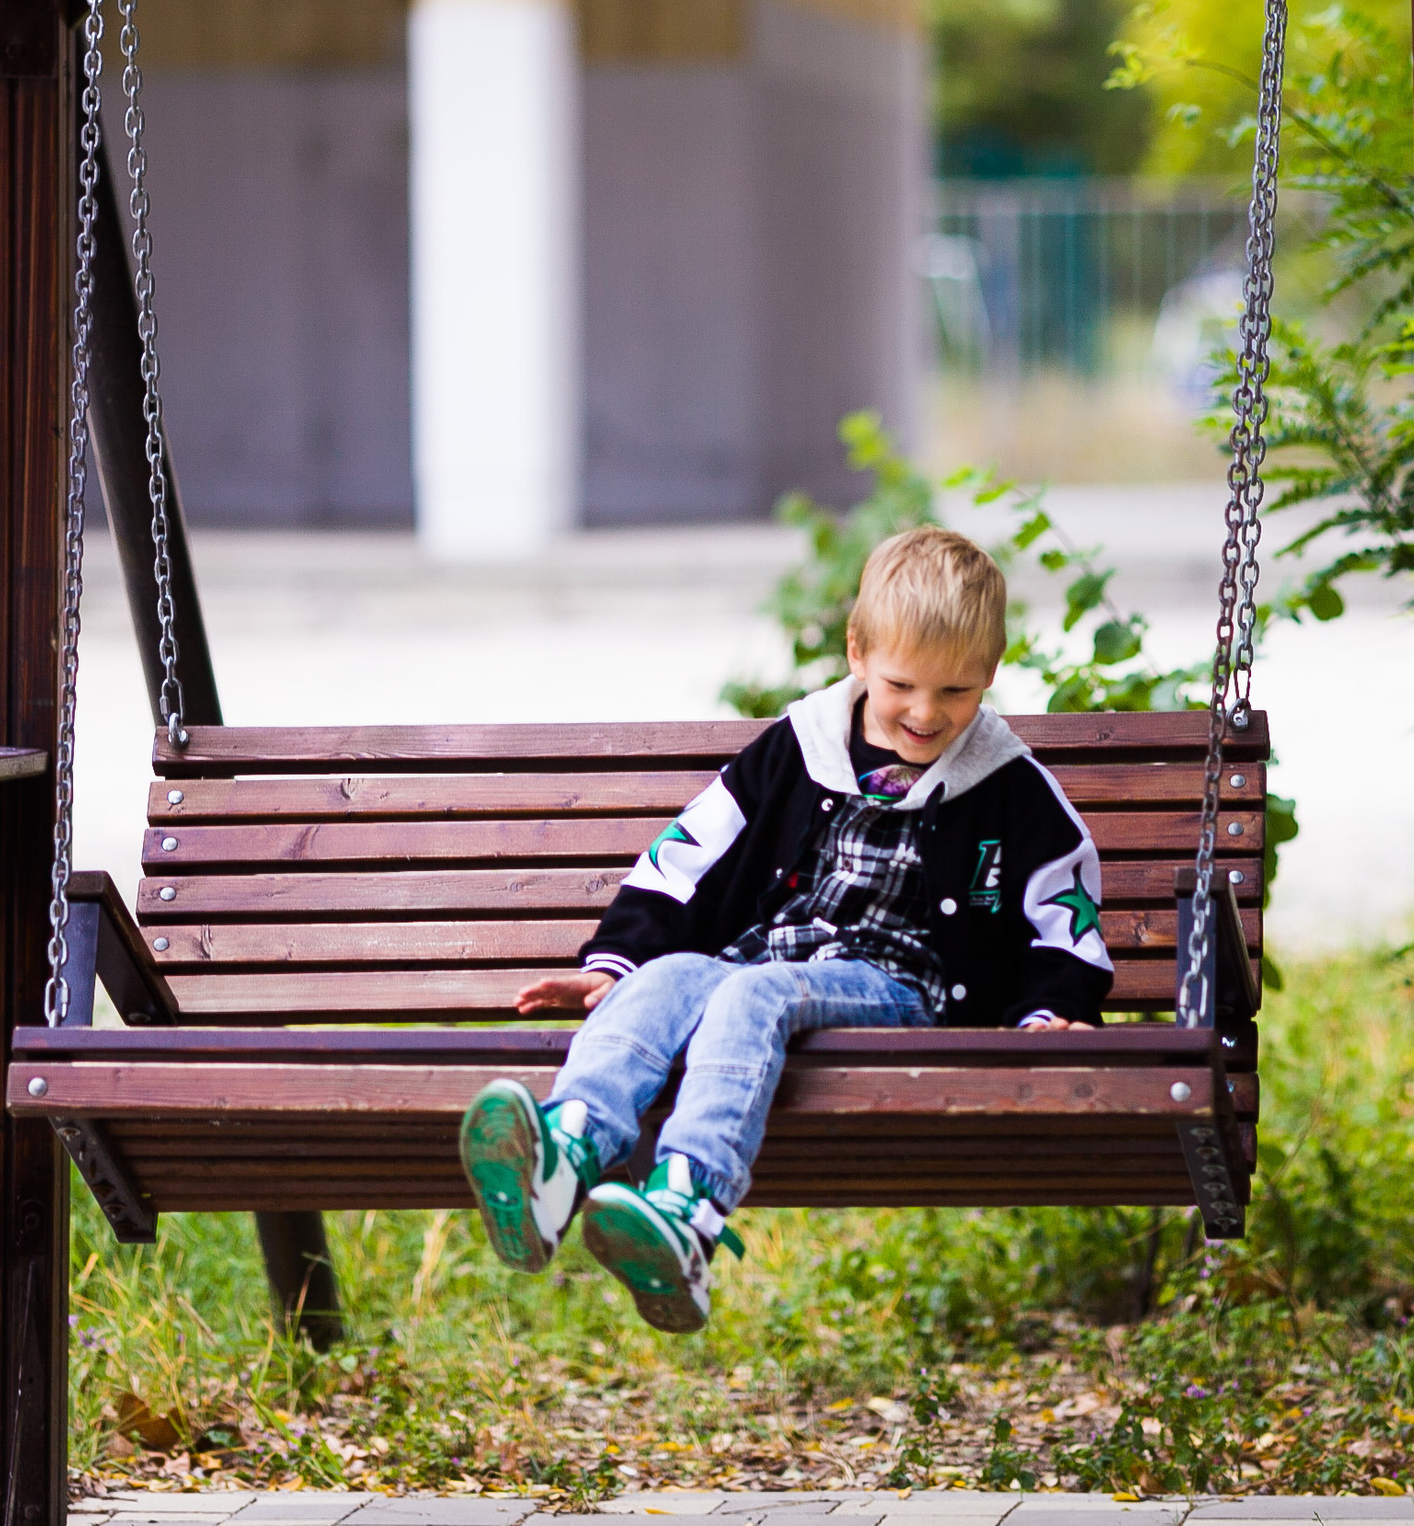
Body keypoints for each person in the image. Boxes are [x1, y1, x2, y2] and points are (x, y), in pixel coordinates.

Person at [457, 526, 1111, 1332]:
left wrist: (1054, 1008)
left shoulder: (1011, 788)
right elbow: (688, 857)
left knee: (754, 993)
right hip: (766, 959)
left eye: (956, 690)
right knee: (668, 976)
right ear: (857, 651)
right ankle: (565, 1154)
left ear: (991, 672)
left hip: (900, 984)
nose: (924, 711)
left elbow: (1062, 911)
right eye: (902, 683)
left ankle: (689, 1204)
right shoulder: (799, 748)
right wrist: (616, 961)